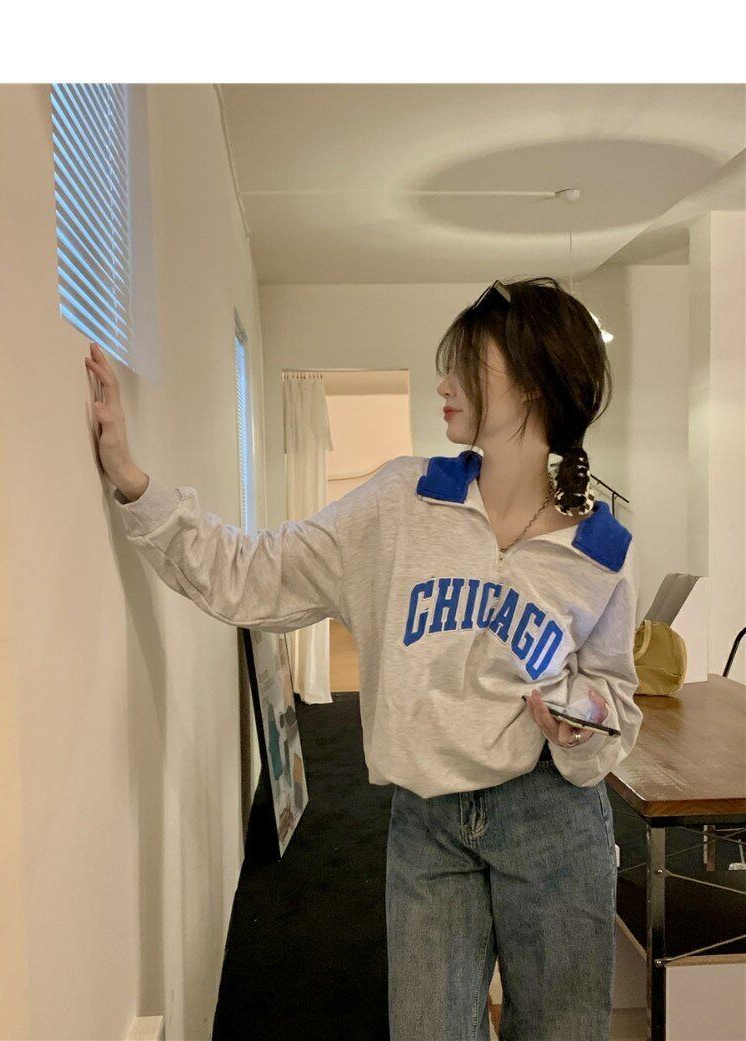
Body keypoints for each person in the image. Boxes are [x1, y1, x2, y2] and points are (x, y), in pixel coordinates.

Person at [84, 275, 643, 1041]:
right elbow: (257, 573)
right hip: (429, 824)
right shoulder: (401, 502)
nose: (443, 383)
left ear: (534, 384)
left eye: (466, 364)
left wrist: (584, 723)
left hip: (552, 818)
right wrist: (133, 483)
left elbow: (614, 698)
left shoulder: (600, 550)